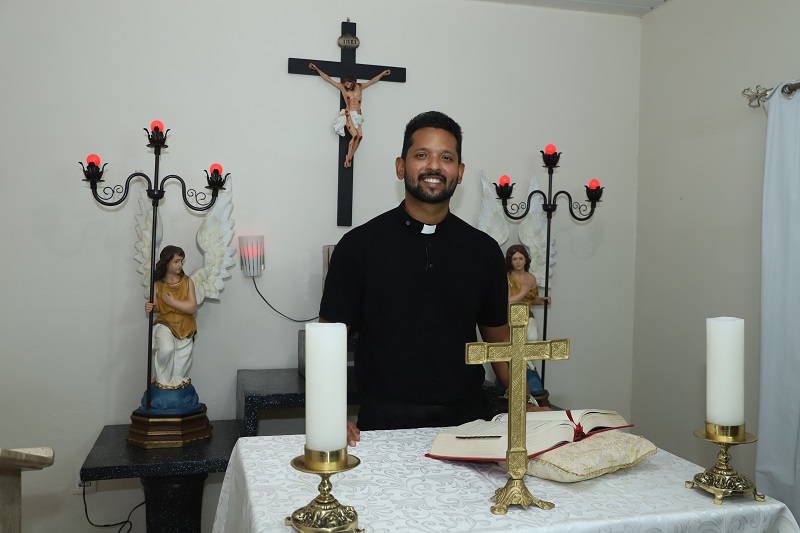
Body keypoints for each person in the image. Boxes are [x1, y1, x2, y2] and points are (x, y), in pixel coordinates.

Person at [320, 111, 545, 447]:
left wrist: (527, 402)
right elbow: (329, 342)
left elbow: (501, 345)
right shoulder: (359, 246)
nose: (434, 167)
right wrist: (330, 413)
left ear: (460, 172)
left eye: (447, 158)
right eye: (422, 155)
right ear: (401, 166)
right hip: (384, 425)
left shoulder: (483, 251)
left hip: (467, 424)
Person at [495, 244, 552, 400]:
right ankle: (523, 370)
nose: (518, 262)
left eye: (521, 258)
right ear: (510, 261)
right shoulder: (507, 278)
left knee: (532, 338)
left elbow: (531, 300)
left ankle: (528, 366)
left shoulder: (531, 278)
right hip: (512, 317)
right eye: (515, 259)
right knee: (514, 345)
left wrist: (542, 300)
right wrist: (523, 292)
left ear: (526, 259)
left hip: (527, 315)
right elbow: (508, 301)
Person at [308, 63, 391, 168]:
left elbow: (372, 81)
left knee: (360, 137)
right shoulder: (343, 88)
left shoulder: (360, 87)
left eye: (348, 83)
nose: (347, 85)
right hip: (348, 114)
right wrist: (317, 69)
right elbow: (328, 79)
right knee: (355, 136)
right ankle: (348, 159)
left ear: (353, 81)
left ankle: (349, 157)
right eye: (345, 83)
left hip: (358, 115)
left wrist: (382, 74)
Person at [144, 245, 198, 389]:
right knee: (166, 349)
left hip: (185, 327)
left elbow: (192, 307)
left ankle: (169, 387)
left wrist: (173, 302)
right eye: (176, 261)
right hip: (165, 323)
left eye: (181, 261)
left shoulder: (187, 282)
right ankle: (161, 377)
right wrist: (150, 307)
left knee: (179, 372)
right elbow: (157, 307)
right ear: (166, 262)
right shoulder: (158, 284)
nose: (180, 264)